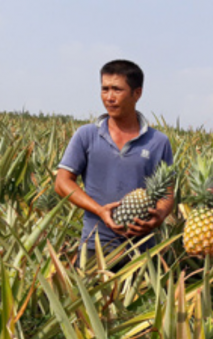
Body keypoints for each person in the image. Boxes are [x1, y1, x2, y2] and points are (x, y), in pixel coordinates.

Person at [55, 59, 174, 267]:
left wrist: (160, 215)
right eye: (105, 89)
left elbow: (168, 191)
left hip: (141, 249)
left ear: (137, 93)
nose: (109, 97)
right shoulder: (87, 135)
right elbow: (62, 182)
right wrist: (100, 210)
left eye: (117, 90)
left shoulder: (158, 142)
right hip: (95, 245)